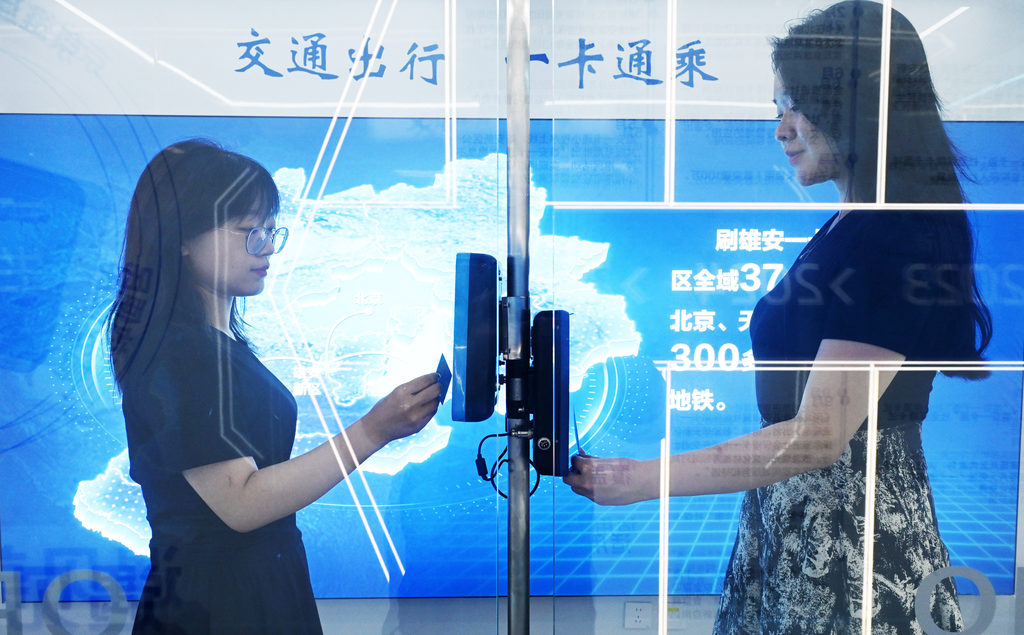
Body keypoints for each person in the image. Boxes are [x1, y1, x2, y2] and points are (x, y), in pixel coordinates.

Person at [564, 2, 992, 632]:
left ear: (855, 105)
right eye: (777, 109)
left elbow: (818, 436)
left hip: (851, 548)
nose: (781, 130)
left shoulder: (894, 234)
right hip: (801, 526)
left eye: (796, 106)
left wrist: (642, 479)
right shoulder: (857, 225)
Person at [107, 139, 441, 634]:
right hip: (217, 607)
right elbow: (242, 505)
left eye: (269, 230)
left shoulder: (215, 344)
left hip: (252, 589)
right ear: (182, 237)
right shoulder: (180, 352)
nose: (265, 247)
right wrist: (374, 430)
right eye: (248, 232)